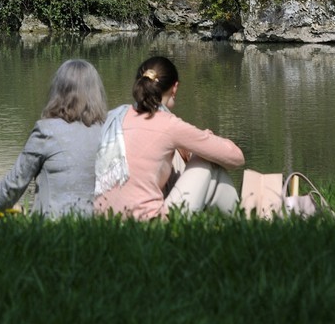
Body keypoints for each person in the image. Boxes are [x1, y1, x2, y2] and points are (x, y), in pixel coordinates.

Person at [94, 54, 243, 219]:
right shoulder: (168, 123)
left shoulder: (114, 116)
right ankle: (244, 224)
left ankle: (241, 224)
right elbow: (236, 158)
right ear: (175, 88)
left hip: (104, 219)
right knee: (208, 162)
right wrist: (206, 139)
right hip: (151, 226)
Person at [0, 59, 108, 218]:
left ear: (59, 91)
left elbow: (14, 183)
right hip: (95, 226)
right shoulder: (106, 132)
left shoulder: (47, 131)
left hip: (52, 227)